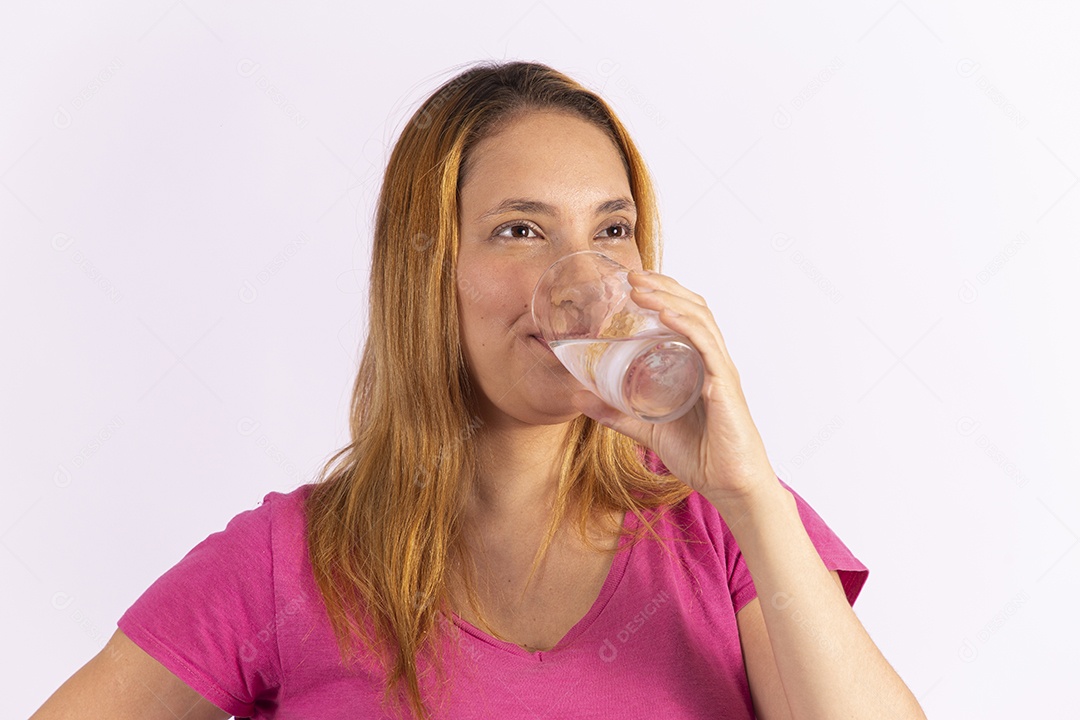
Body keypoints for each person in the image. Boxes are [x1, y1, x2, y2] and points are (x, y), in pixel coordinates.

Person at [31, 60, 926, 720]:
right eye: (520, 230)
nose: (580, 280)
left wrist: (746, 492)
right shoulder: (286, 563)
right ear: (428, 270)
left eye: (610, 229)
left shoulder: (729, 529)